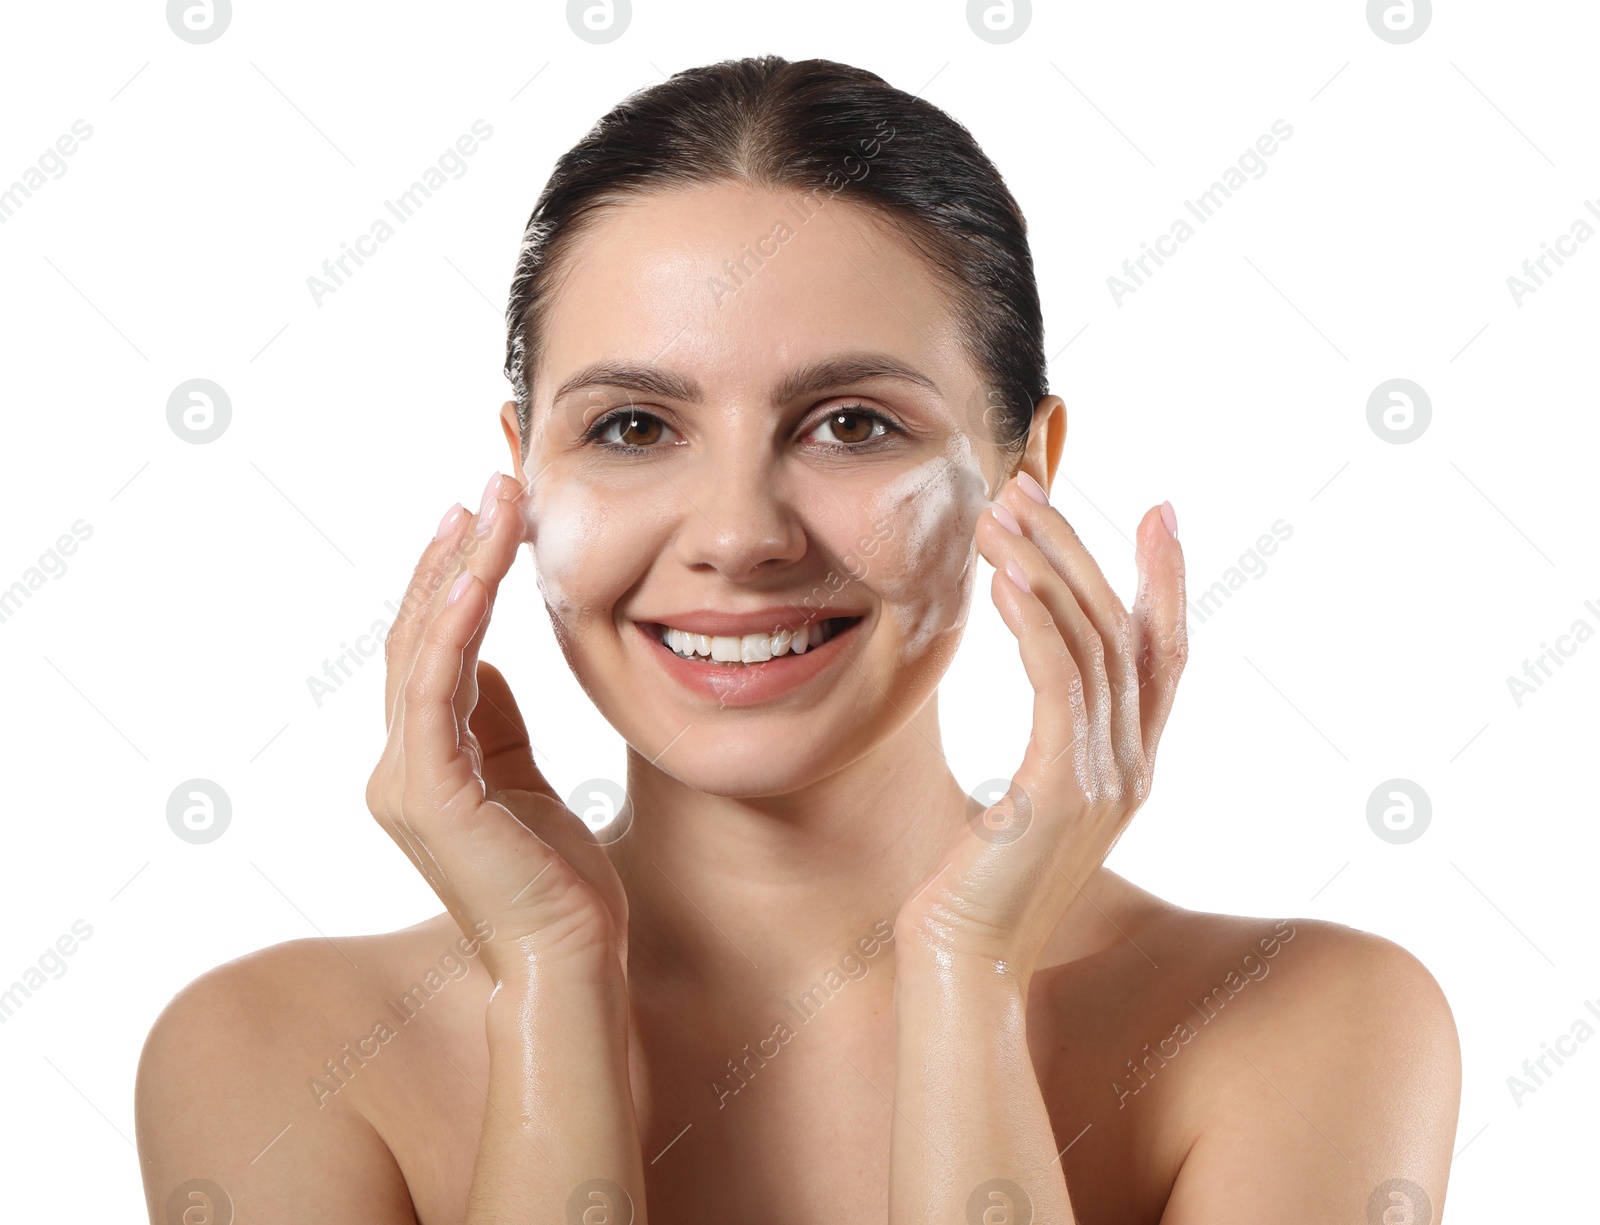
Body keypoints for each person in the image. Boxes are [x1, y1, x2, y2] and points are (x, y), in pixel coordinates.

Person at [136, 56, 1460, 1224]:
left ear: (1024, 472)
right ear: (522, 477)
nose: (738, 534)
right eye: (633, 428)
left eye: (853, 424)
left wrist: (970, 974)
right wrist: (551, 979)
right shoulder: (268, 1055)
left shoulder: (1308, 1024)